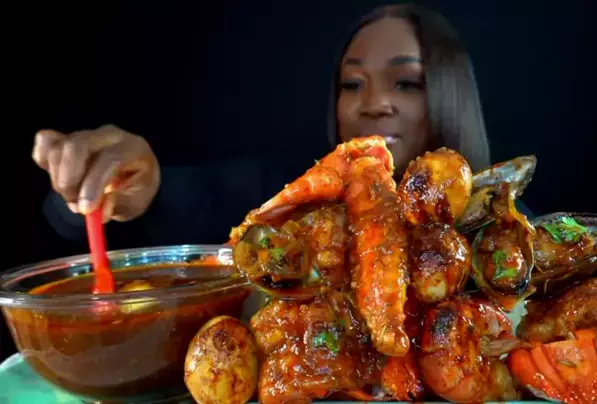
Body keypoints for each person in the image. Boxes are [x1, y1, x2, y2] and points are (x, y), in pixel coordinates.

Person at [32, 4, 531, 249]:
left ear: (449, 94)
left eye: (406, 84)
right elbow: (182, 201)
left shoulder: (512, 230)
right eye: (352, 84)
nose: (374, 103)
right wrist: (112, 184)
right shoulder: (285, 197)